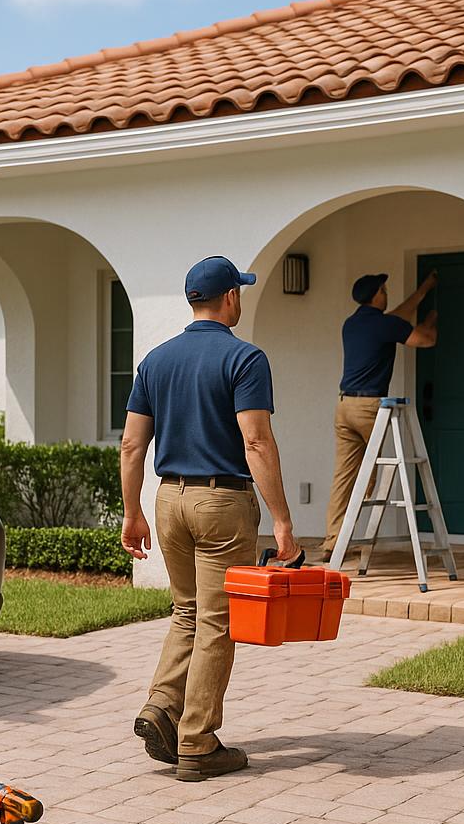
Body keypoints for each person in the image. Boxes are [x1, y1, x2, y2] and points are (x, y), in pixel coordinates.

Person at [120, 256, 300, 782]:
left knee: (187, 612)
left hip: (168, 499)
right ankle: (196, 742)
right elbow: (257, 440)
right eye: (239, 292)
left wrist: (132, 512)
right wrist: (283, 520)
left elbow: (132, 443)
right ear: (229, 298)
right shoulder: (245, 359)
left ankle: (161, 707)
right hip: (221, 503)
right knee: (217, 622)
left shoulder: (155, 360)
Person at [323, 272, 438, 552]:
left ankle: (333, 542)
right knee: (368, 476)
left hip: (344, 406)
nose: (387, 294)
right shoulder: (385, 325)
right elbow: (424, 340)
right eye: (384, 290)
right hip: (369, 408)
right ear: (377, 295)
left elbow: (397, 317)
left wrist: (422, 290)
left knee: (343, 476)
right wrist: (431, 320)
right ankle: (352, 536)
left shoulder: (352, 324)